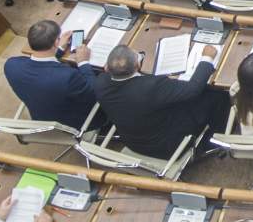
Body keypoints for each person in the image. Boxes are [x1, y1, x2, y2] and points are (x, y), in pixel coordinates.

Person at [94, 42, 226, 157]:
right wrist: (207, 58)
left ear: (106, 67)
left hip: (133, 141)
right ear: (137, 66)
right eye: (139, 57)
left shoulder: (100, 83)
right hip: (169, 146)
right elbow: (193, 89)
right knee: (216, 95)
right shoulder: (151, 87)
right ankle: (215, 141)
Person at [3, 20, 99, 130]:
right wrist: (83, 62)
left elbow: (41, 63)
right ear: (56, 42)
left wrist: (59, 50)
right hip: (78, 123)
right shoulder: (68, 77)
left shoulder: (11, 65)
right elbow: (94, 93)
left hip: (42, 119)